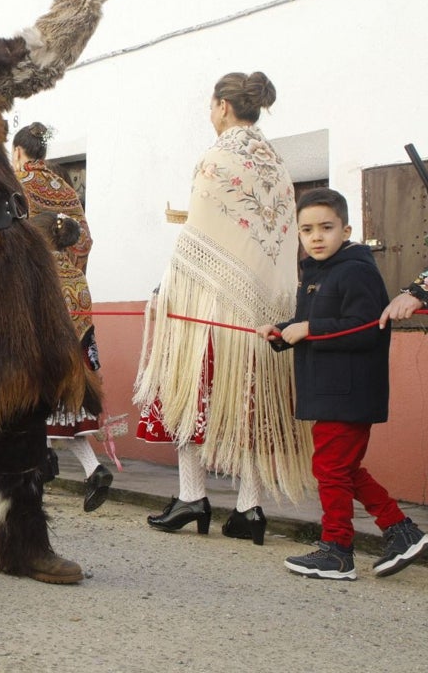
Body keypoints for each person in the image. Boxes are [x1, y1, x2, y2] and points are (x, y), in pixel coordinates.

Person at [133, 71, 312, 545]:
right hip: (266, 310)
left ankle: (192, 495)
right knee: (247, 403)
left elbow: (198, 238)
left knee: (190, 390)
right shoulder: (276, 164)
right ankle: (250, 510)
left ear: (223, 106)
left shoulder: (218, 156)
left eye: (210, 105)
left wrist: (166, 290)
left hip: (211, 304)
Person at [258, 188, 428, 580]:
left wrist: (308, 328)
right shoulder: (315, 272)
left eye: (326, 228)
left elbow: (366, 329)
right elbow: (315, 324)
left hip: (349, 390)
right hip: (328, 388)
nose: (316, 237)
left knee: (331, 468)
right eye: (306, 230)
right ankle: (400, 530)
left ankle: (337, 550)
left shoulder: (356, 269)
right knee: (341, 467)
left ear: (346, 229)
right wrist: (282, 332)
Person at [29, 211, 115, 511]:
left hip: (50, 357)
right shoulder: (77, 275)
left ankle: (38, 476)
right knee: (64, 424)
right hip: (78, 357)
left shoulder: (40, 273)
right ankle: (93, 471)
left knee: (36, 418)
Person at [14, 123, 93, 272]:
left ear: (17, 152)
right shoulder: (67, 190)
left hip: (25, 280)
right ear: (43, 154)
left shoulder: (12, 185)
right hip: (64, 284)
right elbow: (84, 241)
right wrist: (67, 271)